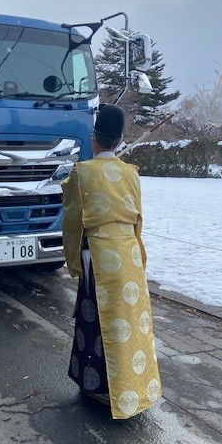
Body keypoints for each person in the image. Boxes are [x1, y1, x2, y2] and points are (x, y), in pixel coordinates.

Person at [61, 104, 161, 419]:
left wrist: (74, 261)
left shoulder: (81, 172)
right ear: (119, 140)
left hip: (98, 254)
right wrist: (139, 257)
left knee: (97, 320)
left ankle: (99, 388)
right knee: (130, 321)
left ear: (94, 139)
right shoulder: (131, 173)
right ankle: (135, 387)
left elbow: (72, 222)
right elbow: (138, 220)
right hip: (129, 252)